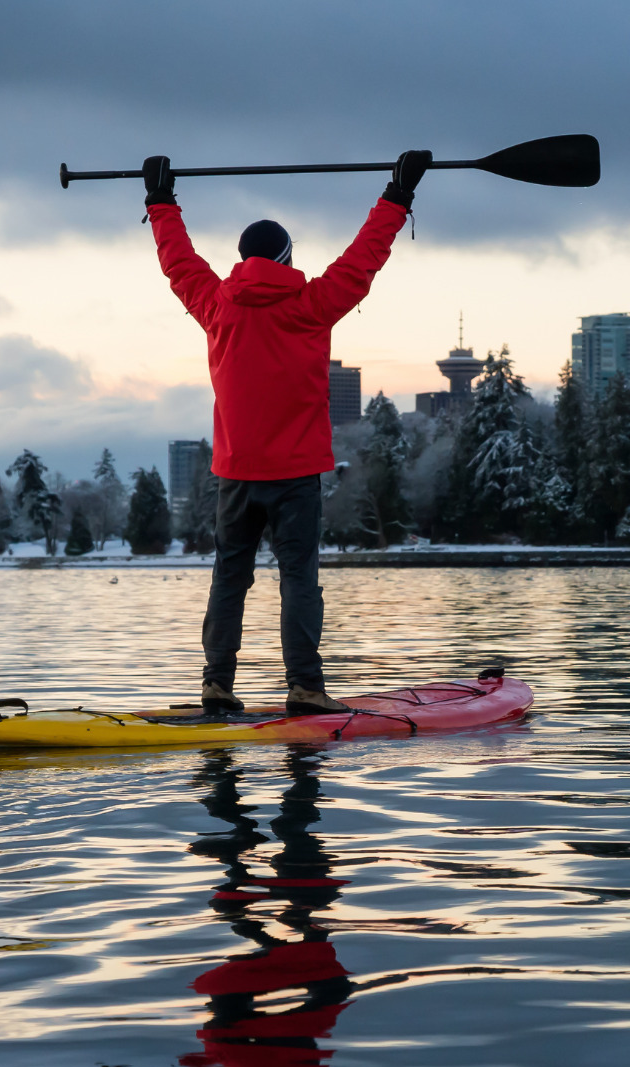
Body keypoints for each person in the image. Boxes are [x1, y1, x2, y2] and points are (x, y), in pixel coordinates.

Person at [144, 149, 431, 715]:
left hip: (235, 473)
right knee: (299, 579)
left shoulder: (215, 304)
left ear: (244, 259)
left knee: (230, 578)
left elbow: (178, 262)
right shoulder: (311, 304)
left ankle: (216, 685)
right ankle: (304, 688)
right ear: (286, 258)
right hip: (296, 474)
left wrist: (160, 200)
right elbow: (362, 259)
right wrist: (398, 196)